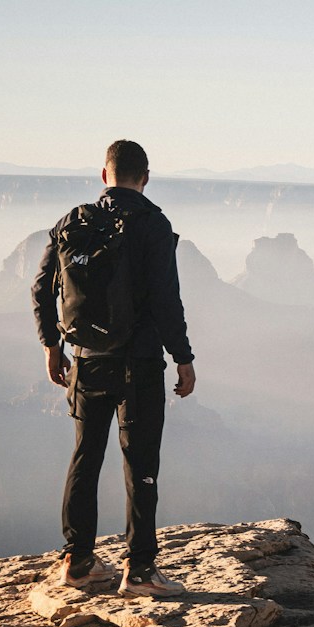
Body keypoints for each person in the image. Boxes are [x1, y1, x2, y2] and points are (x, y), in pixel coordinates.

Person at [30, 139, 197, 596]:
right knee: (140, 463)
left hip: (84, 362)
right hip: (138, 363)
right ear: (145, 178)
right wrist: (183, 357)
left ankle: (78, 563)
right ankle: (140, 570)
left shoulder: (72, 222)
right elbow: (166, 301)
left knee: (85, 457)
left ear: (104, 176)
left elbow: (42, 288)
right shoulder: (152, 225)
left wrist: (51, 346)